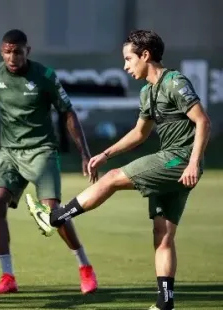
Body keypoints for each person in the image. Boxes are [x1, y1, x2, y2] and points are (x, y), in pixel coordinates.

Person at [27, 30, 211, 310]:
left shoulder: (175, 82)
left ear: (145, 55)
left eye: (128, 59)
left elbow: (203, 121)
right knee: (162, 236)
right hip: (175, 164)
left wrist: (194, 162)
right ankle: (165, 303)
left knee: (113, 178)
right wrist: (105, 153)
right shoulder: (147, 91)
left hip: (179, 160)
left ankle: (55, 217)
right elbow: (139, 133)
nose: (125, 66)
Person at [0, 29, 99, 295]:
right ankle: (8, 277)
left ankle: (85, 268)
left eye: (17, 51)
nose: (12, 57)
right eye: (7, 51)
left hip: (42, 150)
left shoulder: (45, 76)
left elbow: (68, 112)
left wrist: (84, 153)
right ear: (1, 51)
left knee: (54, 213)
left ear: (28, 51)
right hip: (9, 153)